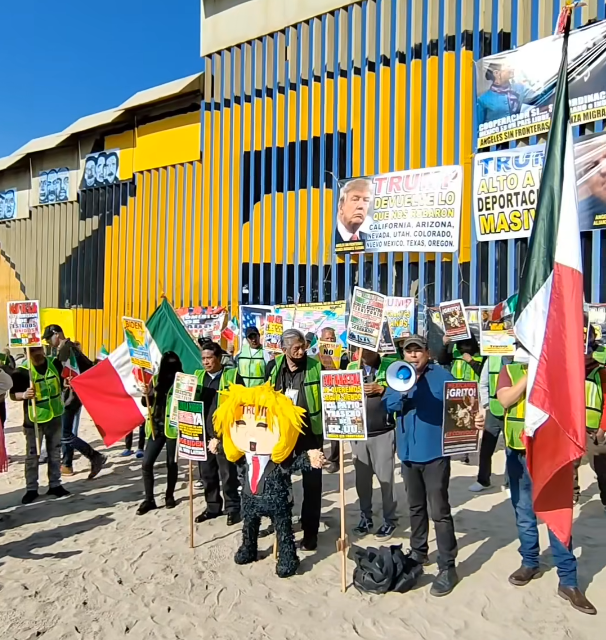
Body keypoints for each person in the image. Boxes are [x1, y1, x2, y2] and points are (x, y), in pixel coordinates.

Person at [496, 348, 596, 615]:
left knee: (557, 516)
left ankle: (568, 581)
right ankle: (530, 562)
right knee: (524, 513)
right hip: (518, 452)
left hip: (552, 453)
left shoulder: (562, 374)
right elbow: (504, 400)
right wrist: (529, 376)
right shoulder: (511, 369)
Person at [384, 335, 482, 597]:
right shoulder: (398, 374)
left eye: (418, 351)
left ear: (427, 353)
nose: (413, 355)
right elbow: (389, 404)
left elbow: (465, 404)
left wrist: (476, 417)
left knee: (439, 510)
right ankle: (418, 552)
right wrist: (403, 392)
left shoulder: (442, 376)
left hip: (436, 453)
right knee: (415, 507)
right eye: (408, 351)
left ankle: (448, 566)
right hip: (407, 453)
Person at [266, 329, 323, 550]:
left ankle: (310, 533)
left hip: (310, 434)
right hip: (281, 435)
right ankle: (282, 527)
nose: (301, 351)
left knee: (312, 485)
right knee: (279, 483)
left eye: (303, 346)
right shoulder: (273, 367)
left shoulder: (316, 366)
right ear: (284, 349)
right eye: (295, 348)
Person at [42, 325, 106, 479]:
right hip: (73, 395)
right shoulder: (70, 349)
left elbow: (62, 371)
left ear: (56, 334)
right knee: (66, 431)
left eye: (49, 339)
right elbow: (88, 367)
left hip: (71, 397)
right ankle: (68, 463)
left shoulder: (66, 350)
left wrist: (69, 381)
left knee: (65, 434)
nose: (49, 343)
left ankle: (94, 456)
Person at [10, 346, 70, 504]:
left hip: (55, 415)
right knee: (32, 456)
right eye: (32, 351)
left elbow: (61, 382)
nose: (37, 353)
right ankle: (31, 489)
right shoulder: (22, 372)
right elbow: (12, 395)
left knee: (55, 453)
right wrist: (23, 395)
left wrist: (66, 383)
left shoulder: (54, 364)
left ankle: (55, 485)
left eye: (38, 350)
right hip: (34, 420)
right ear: (26, 353)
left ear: (43, 349)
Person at [348, 349, 397, 541]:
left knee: (386, 480)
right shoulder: (352, 367)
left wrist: (382, 390)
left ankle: (390, 520)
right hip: (358, 433)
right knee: (362, 480)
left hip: (383, 432)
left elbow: (402, 392)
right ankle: (365, 517)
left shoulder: (391, 365)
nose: (363, 350)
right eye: (359, 346)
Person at [194, 341, 243, 526]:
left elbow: (242, 401)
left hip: (225, 433)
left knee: (228, 474)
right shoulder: (197, 376)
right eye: (203, 358)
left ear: (219, 358)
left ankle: (233, 508)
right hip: (202, 433)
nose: (206, 362)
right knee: (207, 473)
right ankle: (213, 507)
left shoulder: (232, 375)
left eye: (209, 358)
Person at [136, 352, 183, 515]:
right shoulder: (156, 380)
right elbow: (146, 403)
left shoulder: (182, 381)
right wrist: (146, 393)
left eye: (173, 364)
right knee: (146, 463)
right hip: (155, 426)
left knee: (172, 463)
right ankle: (149, 499)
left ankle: (169, 495)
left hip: (173, 427)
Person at [573, 326, 606, 510]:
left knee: (601, 467)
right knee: (570, 464)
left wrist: (602, 428)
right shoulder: (568, 366)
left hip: (594, 428)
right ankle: (573, 495)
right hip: (572, 425)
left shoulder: (601, 367)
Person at [469, 354, 511, 492]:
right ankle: (483, 480)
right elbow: (484, 383)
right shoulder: (491, 359)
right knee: (486, 448)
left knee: (511, 450)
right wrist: (487, 405)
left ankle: (510, 483)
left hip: (513, 411)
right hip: (493, 410)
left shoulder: (520, 358)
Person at [319, 327, 349, 474]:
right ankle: (319, 456)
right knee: (319, 429)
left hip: (336, 395)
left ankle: (336, 460)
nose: (330, 341)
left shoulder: (343, 357)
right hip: (320, 396)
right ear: (321, 340)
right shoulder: (315, 358)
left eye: (332, 338)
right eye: (327, 339)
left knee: (335, 428)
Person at [476, 63, 530, 127]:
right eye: (508, 65)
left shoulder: (520, 89)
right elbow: (478, 128)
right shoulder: (483, 99)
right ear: (496, 73)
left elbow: (538, 97)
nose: (512, 68)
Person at [335, 178, 373, 246]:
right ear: (341, 207)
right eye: (355, 199)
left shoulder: (370, 239)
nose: (361, 206)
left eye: (366, 200)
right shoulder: (329, 237)